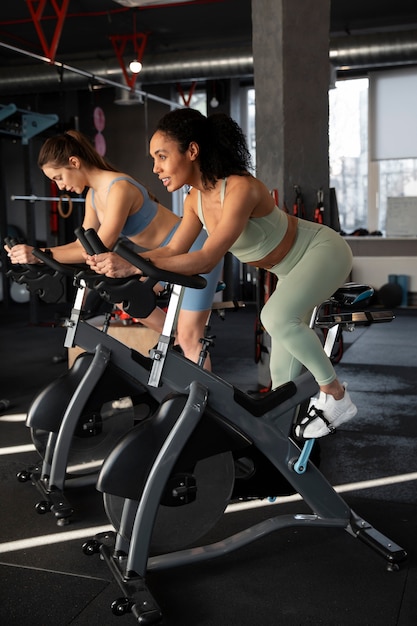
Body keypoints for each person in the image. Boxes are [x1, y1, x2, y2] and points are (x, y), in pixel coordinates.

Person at [86, 108, 358, 439]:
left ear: (192, 151)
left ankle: (336, 396)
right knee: (280, 375)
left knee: (275, 318)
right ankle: (282, 445)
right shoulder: (194, 201)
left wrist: (132, 265)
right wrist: (132, 269)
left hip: (322, 252)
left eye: (162, 156)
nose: (155, 168)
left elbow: (206, 257)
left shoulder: (240, 188)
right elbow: (173, 251)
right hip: (288, 270)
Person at [4, 129, 223, 366]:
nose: (60, 186)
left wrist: (39, 254)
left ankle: (204, 400)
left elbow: (101, 246)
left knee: (192, 339)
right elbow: (82, 245)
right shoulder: (93, 197)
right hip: (157, 258)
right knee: (119, 292)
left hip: (191, 249)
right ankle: (173, 336)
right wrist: (38, 256)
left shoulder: (119, 188)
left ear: (74, 163)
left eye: (58, 177)